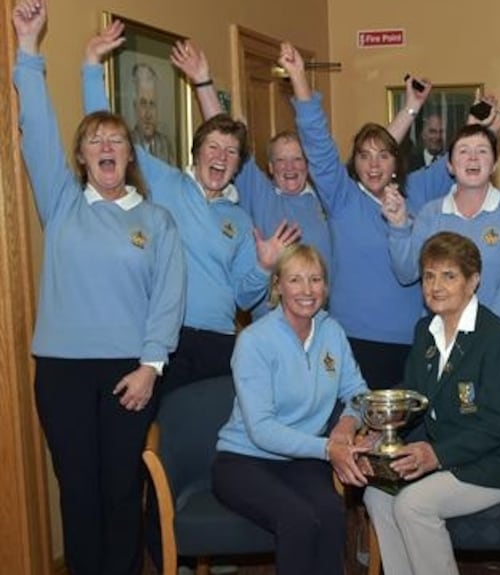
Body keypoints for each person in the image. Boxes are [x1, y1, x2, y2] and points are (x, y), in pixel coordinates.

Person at [12, 2, 186, 573]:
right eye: (95, 141)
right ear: (82, 158)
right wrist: (29, 49)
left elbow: (168, 298)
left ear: (130, 154)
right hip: (61, 370)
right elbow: (36, 125)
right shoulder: (62, 204)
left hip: (128, 373)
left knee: (119, 491)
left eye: (116, 139)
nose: (106, 147)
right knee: (78, 492)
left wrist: (150, 366)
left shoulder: (154, 220)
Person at [281, 44, 500, 388]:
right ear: (355, 163)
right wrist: (299, 79)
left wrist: (499, 122)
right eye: (364, 157)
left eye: (383, 156)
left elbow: (466, 157)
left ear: (397, 162)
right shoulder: (343, 197)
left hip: (414, 342)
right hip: (353, 339)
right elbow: (318, 144)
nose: (373, 165)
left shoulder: (419, 193)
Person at [82, 22, 298, 394]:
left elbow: (245, 298)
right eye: (213, 147)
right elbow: (109, 136)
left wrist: (264, 265)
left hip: (219, 344)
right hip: (167, 340)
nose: (221, 157)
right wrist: (90, 65)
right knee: (162, 443)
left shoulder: (240, 219)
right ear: (196, 153)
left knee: (211, 442)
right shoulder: (164, 183)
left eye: (231, 152)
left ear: (238, 165)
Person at [363, 231, 500, 575]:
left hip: (495, 465)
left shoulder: (498, 336)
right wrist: (377, 434)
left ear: (473, 281)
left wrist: (436, 455)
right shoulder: (425, 329)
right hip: (443, 457)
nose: (435, 286)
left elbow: (497, 424)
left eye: (449, 276)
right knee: (376, 496)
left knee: (413, 504)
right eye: (429, 275)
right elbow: (413, 396)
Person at [213, 244, 371, 575]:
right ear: (278, 286)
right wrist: (329, 448)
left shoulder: (332, 332)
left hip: (302, 461)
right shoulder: (254, 341)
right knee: (297, 519)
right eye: (295, 280)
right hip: (244, 460)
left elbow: (358, 393)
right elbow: (261, 430)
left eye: (315, 280)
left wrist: (345, 425)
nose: (307, 290)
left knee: (330, 513)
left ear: (326, 288)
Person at [169, 41, 331, 319]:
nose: (289, 167)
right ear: (269, 167)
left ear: (309, 164)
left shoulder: (326, 199)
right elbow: (225, 138)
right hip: (270, 329)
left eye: (297, 159)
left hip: (320, 327)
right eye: (281, 160)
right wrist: (203, 82)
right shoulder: (259, 193)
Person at [382, 124, 500, 340]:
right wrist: (398, 225)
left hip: (496, 338)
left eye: (482, 151)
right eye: (463, 151)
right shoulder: (431, 214)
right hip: (440, 338)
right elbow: (407, 274)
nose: (473, 158)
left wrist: (481, 333)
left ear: (494, 165)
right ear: (450, 166)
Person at [130, 62, 175, 164]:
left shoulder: (165, 145)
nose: (148, 114)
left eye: (152, 104)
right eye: (143, 104)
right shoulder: (128, 143)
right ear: (134, 107)